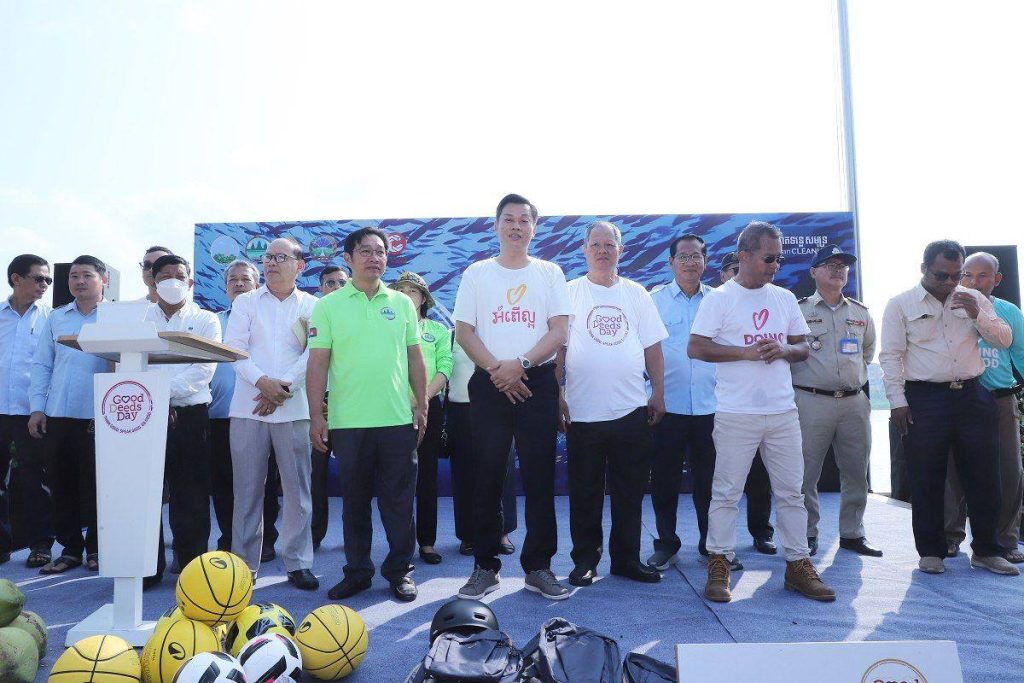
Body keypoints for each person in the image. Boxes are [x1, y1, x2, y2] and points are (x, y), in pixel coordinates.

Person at [689, 221, 835, 603]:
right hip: (736, 413)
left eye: (779, 258)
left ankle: (798, 564)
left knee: (791, 493)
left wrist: (784, 349)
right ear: (744, 256)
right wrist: (745, 352)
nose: (776, 265)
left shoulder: (784, 298)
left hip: (783, 411)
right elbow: (696, 347)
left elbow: (803, 348)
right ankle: (719, 562)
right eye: (769, 258)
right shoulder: (719, 299)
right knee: (726, 493)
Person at [453, 193, 571, 601]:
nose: (516, 226)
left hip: (536, 381)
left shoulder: (550, 273)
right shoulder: (477, 273)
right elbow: (464, 332)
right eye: (509, 219)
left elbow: (559, 331)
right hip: (489, 383)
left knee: (539, 476)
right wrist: (499, 371)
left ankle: (538, 567)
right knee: (487, 476)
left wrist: (520, 364)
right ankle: (485, 567)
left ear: (534, 228)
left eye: (524, 219)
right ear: (496, 225)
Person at [879, 240, 1017, 576]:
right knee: (927, 477)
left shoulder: (973, 298)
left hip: (972, 394)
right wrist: (898, 402)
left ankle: (987, 550)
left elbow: (1004, 339)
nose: (951, 282)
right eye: (942, 275)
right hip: (924, 397)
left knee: (985, 476)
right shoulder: (900, 304)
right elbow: (891, 356)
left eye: (957, 275)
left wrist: (977, 315)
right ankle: (931, 551)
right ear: (924, 269)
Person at [307, 227, 428, 602]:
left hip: (396, 420)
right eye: (366, 251)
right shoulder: (328, 306)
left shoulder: (402, 303)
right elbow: (317, 364)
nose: (375, 258)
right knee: (354, 505)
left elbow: (415, 357)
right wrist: (316, 416)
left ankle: (400, 571)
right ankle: (358, 572)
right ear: (348, 258)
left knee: (398, 504)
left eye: (380, 252)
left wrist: (421, 403)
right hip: (348, 423)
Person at [647, 240, 773, 576]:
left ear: (705, 261)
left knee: (714, 484)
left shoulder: (723, 300)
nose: (690, 262)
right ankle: (666, 544)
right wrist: (652, 393)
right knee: (664, 481)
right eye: (683, 256)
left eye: (696, 256)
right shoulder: (653, 300)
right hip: (667, 405)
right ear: (671, 262)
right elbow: (643, 349)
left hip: (715, 406)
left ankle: (713, 547)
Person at [558, 221, 666, 587]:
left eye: (609, 245)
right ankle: (585, 561)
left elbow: (653, 347)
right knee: (584, 493)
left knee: (629, 492)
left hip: (631, 410)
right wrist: (558, 395)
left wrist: (658, 392)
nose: (603, 250)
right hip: (583, 413)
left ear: (621, 250)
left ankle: (626, 559)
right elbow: (559, 350)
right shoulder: (569, 293)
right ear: (584, 249)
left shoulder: (637, 294)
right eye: (596, 244)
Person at [224, 237, 319, 589]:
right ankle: (244, 565)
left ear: (299, 265)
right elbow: (234, 350)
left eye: (280, 257)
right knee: (247, 491)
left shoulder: (313, 305)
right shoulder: (246, 302)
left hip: (293, 408)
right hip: (248, 407)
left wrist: (282, 389)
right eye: (267, 257)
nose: (271, 263)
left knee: (298, 491)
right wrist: (263, 383)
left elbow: (314, 353)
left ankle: (297, 562)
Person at [792, 244, 882, 558]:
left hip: (854, 402)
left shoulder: (860, 313)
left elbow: (866, 353)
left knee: (857, 471)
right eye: (829, 264)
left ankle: (853, 533)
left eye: (842, 265)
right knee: (805, 473)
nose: (837, 270)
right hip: (810, 399)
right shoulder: (798, 310)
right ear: (813, 272)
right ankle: (806, 534)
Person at [28, 255, 111, 574]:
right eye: (73, 276)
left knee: (98, 486)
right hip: (59, 413)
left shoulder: (117, 317)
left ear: (104, 280)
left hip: (100, 415)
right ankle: (71, 550)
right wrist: (37, 407)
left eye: (87, 275)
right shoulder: (57, 317)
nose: (79, 281)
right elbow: (42, 364)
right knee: (61, 485)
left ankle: (98, 549)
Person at [142, 255, 220, 588]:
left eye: (179, 275)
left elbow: (204, 368)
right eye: (165, 275)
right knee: (144, 492)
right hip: (144, 415)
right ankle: (146, 567)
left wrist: (162, 395)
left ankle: (191, 566)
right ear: (153, 280)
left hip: (189, 415)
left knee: (191, 492)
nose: (172, 281)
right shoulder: (139, 318)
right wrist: (156, 399)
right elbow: (129, 364)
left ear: (190, 282)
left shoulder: (205, 319)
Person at [944, 252, 1024, 563]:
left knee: (1008, 472)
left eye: (982, 276)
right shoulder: (947, 306)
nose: (973, 282)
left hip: (999, 400)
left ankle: (1005, 541)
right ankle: (949, 537)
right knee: (952, 471)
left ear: (997, 280)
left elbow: (1020, 354)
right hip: (958, 399)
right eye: (967, 275)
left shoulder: (1008, 312)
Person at [208, 260, 281, 559]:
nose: (239, 284)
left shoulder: (267, 317)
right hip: (219, 415)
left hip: (261, 411)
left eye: (245, 279)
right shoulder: (212, 322)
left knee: (264, 483)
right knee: (224, 483)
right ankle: (229, 538)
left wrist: (272, 393)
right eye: (233, 279)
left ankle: (265, 540)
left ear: (257, 284)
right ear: (225, 287)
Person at [390, 272, 453, 565]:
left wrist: (422, 399)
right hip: (391, 408)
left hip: (428, 408)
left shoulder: (438, 330)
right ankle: (399, 546)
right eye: (400, 289)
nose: (406, 294)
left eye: (412, 291)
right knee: (396, 480)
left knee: (427, 477)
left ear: (423, 299)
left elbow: (445, 367)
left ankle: (427, 543)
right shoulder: (386, 327)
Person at [719, 251, 776, 554]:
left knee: (758, 476)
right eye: (732, 269)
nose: (737, 274)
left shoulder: (769, 303)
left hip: (752, 405)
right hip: (710, 404)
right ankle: (715, 546)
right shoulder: (716, 302)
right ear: (723, 275)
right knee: (720, 482)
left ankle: (761, 531)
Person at [0, 254, 53, 567]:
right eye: (38, 278)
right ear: (16, 279)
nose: (45, 285)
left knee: (36, 481)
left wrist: (41, 408)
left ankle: (41, 545)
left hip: (31, 412)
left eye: (48, 279)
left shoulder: (50, 319)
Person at [447, 340, 519, 557]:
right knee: (464, 473)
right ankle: (468, 535)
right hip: (461, 409)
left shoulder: (498, 333)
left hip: (498, 407)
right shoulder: (453, 336)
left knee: (503, 471)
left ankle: (503, 533)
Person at [309, 264, 348, 550]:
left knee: (353, 479)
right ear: (321, 287)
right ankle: (313, 535)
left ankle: (353, 540)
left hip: (349, 408)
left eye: (341, 283)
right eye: (330, 283)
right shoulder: (312, 316)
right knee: (315, 477)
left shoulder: (357, 316)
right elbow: (310, 363)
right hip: (317, 409)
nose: (336, 288)